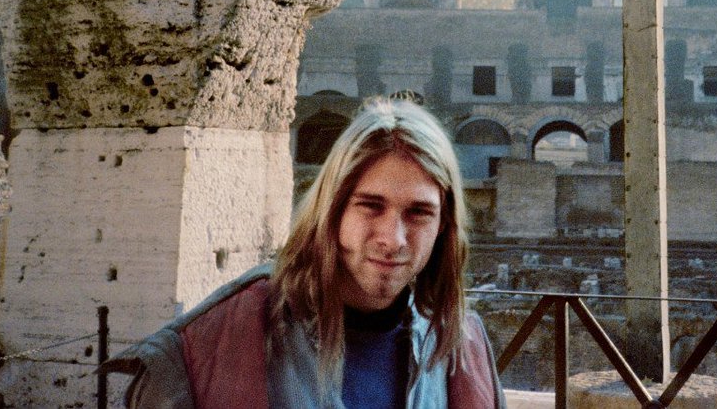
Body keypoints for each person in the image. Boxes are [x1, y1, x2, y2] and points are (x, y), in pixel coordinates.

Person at [108, 97, 506, 408]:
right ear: (332, 210)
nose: (394, 238)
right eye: (371, 205)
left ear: (444, 226)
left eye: (419, 213)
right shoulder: (209, 348)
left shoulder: (461, 348)